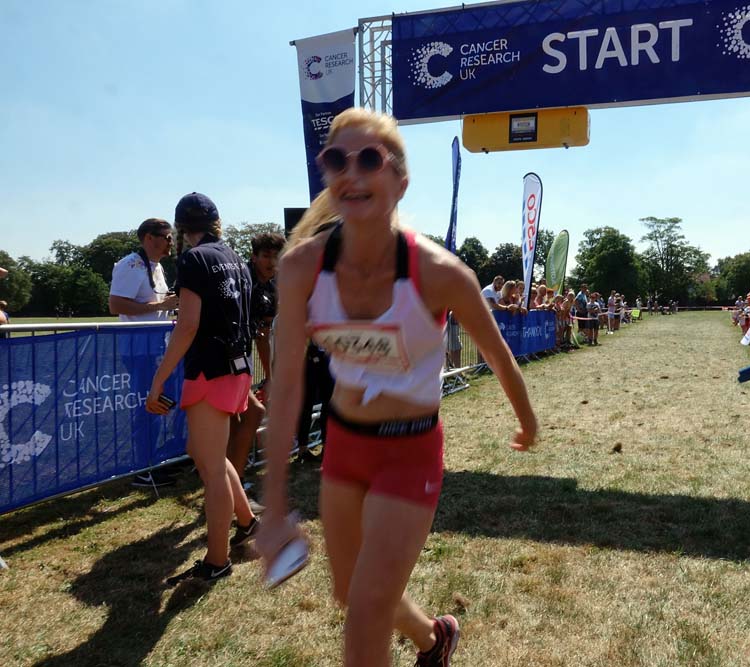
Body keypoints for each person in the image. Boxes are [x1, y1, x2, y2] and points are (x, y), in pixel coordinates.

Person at [256, 108, 537, 667]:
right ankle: (434, 638)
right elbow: (285, 385)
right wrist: (274, 501)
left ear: (400, 180)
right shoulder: (302, 267)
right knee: (351, 594)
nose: (351, 173)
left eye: (369, 159)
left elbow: (496, 353)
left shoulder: (439, 272)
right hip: (344, 445)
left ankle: (427, 636)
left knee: (364, 608)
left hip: (409, 450)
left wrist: (527, 421)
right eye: (337, 159)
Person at [146, 192, 260, 584]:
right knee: (202, 451)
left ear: (181, 228)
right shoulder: (237, 260)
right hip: (235, 368)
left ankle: (217, 560)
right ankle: (246, 522)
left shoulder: (193, 259)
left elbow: (188, 325)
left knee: (211, 469)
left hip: (211, 369)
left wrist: (159, 380)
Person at [109, 218, 182, 487]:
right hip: (139, 348)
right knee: (147, 405)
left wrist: (169, 305)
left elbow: (154, 304)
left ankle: (152, 460)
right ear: (149, 238)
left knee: (161, 400)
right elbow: (115, 305)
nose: (171, 241)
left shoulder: (157, 266)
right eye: (166, 236)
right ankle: (142, 468)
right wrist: (164, 303)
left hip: (155, 345)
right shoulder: (131, 264)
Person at [226, 232, 285, 503]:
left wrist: (270, 377)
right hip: (222, 356)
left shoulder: (272, 288)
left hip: (241, 357)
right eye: (265, 256)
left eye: (276, 256)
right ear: (253, 256)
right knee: (244, 417)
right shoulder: (241, 280)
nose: (271, 262)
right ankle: (228, 483)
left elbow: (262, 334)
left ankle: (231, 480)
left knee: (246, 417)